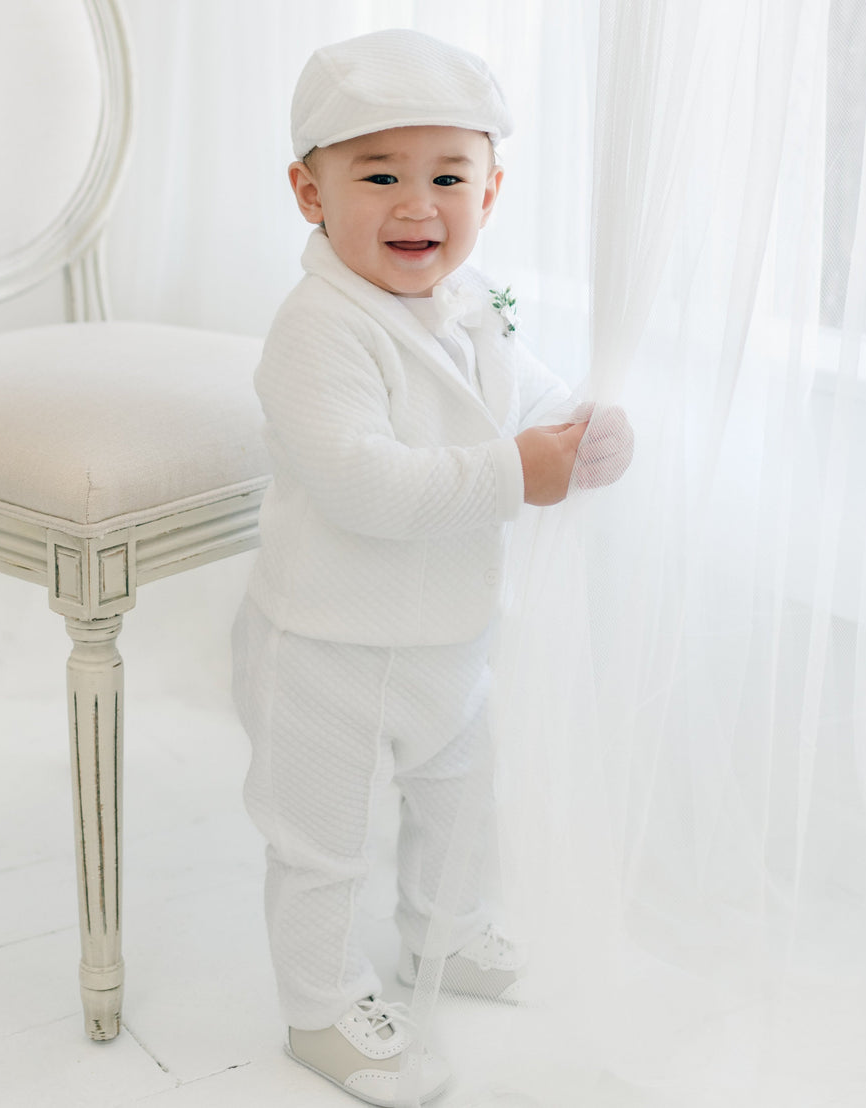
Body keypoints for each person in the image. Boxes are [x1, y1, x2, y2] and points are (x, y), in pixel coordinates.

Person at [231, 28, 632, 1106]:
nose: (419, 205)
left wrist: (580, 431)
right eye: (380, 175)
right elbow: (366, 483)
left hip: (449, 631)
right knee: (320, 837)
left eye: (447, 176)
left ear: (491, 190)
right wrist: (514, 472)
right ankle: (319, 1006)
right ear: (308, 192)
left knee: (458, 799)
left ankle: (443, 932)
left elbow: (530, 397)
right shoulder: (318, 329)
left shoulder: (476, 298)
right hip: (328, 642)